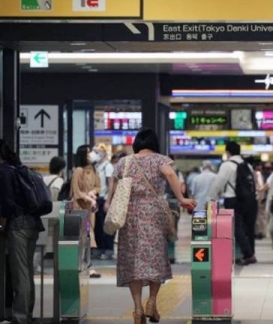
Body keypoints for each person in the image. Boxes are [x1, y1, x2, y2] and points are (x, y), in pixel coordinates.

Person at [105, 129, 195, 324]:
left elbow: (112, 191)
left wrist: (111, 208)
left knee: (133, 261)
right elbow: (170, 174)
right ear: (154, 143)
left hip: (129, 215)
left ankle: (137, 310)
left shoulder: (124, 162)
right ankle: (152, 302)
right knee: (156, 258)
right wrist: (180, 198)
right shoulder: (160, 160)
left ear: (136, 143)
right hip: (154, 213)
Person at [0, 140, 46, 324]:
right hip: (32, 225)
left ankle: (19, 317)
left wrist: (2, 225)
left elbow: (7, 205)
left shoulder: (3, 172)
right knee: (26, 271)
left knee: (20, 273)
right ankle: (26, 313)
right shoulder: (18, 169)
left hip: (18, 226)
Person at [209, 142, 258, 266]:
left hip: (233, 199)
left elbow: (218, 184)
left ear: (227, 152)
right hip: (249, 200)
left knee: (237, 228)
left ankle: (248, 254)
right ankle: (250, 252)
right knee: (248, 228)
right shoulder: (247, 165)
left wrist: (212, 199)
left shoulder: (227, 165)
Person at [71, 145, 102, 278]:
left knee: (87, 236)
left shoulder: (93, 169)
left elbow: (98, 186)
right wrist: (89, 198)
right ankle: (87, 266)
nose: (92, 155)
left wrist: (92, 193)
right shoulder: (78, 170)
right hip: (79, 208)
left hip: (90, 209)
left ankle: (84, 265)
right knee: (86, 236)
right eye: (89, 152)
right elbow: (76, 192)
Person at [93, 144, 115, 260]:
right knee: (98, 226)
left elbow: (111, 184)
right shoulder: (96, 166)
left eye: (97, 152)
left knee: (106, 225)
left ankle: (108, 249)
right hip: (97, 199)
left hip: (104, 199)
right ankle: (100, 248)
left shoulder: (108, 166)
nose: (95, 154)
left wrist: (108, 201)